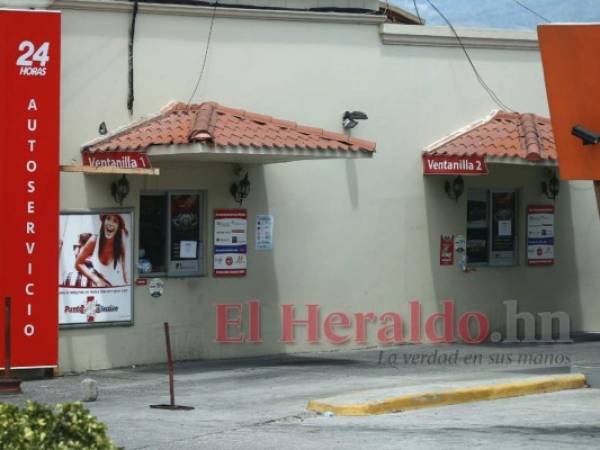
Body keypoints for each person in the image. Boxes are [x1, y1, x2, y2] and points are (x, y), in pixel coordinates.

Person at [75, 214, 129, 287]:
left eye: (115, 221)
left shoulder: (120, 244)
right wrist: (97, 280)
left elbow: (124, 273)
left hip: (117, 290)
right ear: (103, 221)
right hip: (99, 292)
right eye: (108, 218)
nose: (110, 223)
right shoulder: (94, 240)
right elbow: (78, 263)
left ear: (118, 227)